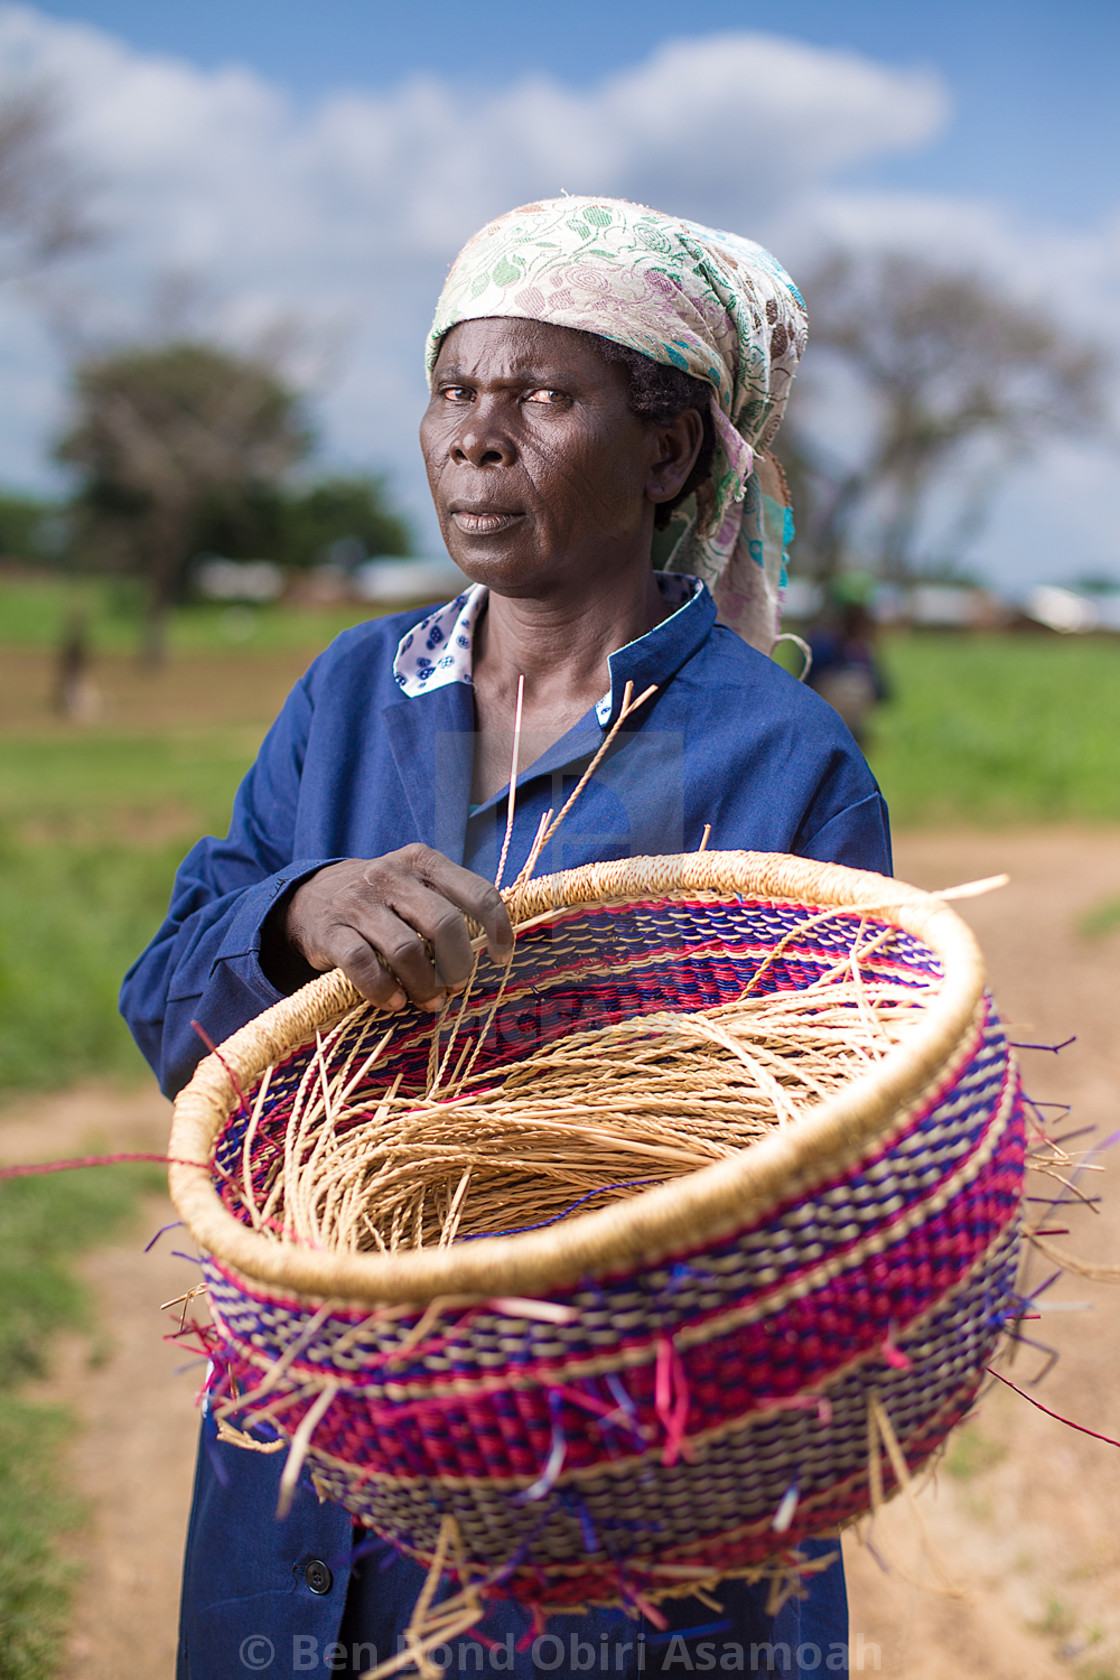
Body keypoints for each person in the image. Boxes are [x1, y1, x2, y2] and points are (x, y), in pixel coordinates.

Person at [122, 197, 891, 1680]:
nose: (477, 435)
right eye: (455, 389)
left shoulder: (781, 762)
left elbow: (828, 1205)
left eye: (543, 394)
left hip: (596, 1518)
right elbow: (169, 1004)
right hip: (303, 1469)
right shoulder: (352, 696)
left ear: (667, 449)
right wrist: (291, 917)